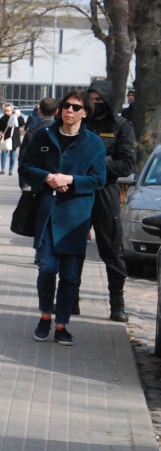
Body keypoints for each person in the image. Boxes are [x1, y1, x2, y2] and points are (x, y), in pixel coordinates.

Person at [18, 91, 107, 346]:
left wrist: (70, 180)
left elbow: (99, 179)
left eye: (75, 107)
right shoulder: (44, 136)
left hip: (76, 217)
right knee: (47, 268)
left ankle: (62, 324)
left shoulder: (94, 144)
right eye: (65, 106)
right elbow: (25, 166)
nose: (69, 110)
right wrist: (48, 177)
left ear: (85, 113)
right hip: (47, 213)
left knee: (69, 276)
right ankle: (45, 317)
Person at [85, 80, 137, 321]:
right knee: (70, 250)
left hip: (106, 191)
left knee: (112, 249)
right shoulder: (78, 120)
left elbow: (127, 163)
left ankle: (117, 302)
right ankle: (68, 300)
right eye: (91, 98)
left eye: (100, 99)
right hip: (77, 192)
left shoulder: (121, 126)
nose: (96, 103)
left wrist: (99, 168)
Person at [19, 98, 58, 185]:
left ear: (39, 111)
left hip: (36, 180)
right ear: (56, 111)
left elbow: (23, 159)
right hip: (59, 181)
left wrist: (24, 184)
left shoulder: (32, 132)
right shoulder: (62, 131)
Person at [0, 103, 25, 175]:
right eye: (5, 111)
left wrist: (19, 116)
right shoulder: (3, 119)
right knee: (4, 153)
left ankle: (11, 170)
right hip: (5, 137)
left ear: (12, 110)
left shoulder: (16, 117)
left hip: (14, 138)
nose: (7, 112)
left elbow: (22, 123)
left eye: (8, 110)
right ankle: (3, 169)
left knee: (13, 154)